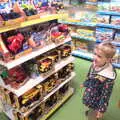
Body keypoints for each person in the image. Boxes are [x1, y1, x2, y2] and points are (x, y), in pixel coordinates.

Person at [80, 42, 117, 120]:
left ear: (108, 59)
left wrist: (101, 110)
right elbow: (90, 74)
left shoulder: (108, 75)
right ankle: (91, 110)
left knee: (92, 115)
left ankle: (94, 114)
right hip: (91, 91)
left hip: (97, 98)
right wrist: (85, 83)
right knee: (90, 105)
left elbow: (106, 95)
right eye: (95, 54)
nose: (95, 57)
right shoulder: (95, 63)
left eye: (99, 56)